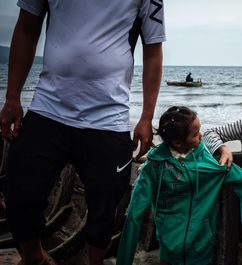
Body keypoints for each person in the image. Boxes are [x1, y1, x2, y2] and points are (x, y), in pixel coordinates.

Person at [0, 0, 165, 264]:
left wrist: (146, 117)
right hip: (48, 108)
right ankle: (35, 257)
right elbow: (27, 28)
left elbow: (153, 50)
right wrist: (12, 97)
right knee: (19, 195)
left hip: (108, 118)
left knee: (105, 209)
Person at [116, 106, 242, 265]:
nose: (201, 135)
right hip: (169, 246)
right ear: (177, 142)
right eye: (196, 134)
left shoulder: (208, 162)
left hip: (201, 246)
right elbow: (135, 214)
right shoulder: (154, 167)